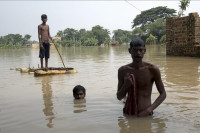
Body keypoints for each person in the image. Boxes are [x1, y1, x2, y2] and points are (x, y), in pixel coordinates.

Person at [117, 38, 166, 117]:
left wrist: (149, 109)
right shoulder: (123, 70)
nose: (138, 53)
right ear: (130, 51)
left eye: (141, 50)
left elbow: (163, 94)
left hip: (146, 114)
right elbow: (119, 97)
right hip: (128, 113)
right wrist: (125, 86)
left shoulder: (152, 69)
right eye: (135, 50)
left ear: (145, 51)